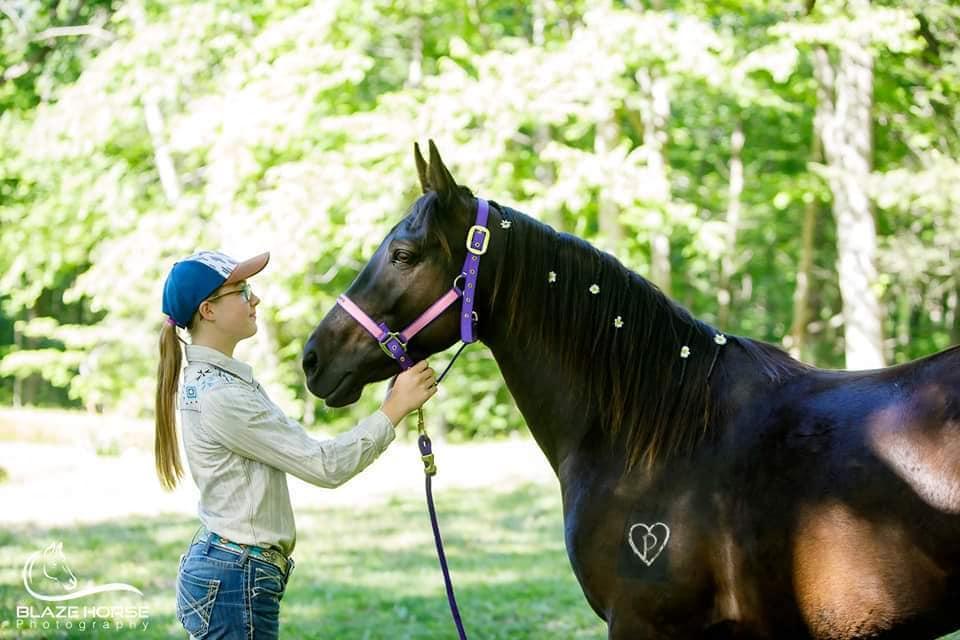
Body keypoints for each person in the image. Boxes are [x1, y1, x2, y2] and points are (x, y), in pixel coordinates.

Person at [155, 250, 436, 639]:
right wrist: (393, 410)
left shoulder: (221, 381)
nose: (255, 299)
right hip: (236, 578)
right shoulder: (221, 395)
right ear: (208, 310)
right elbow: (324, 465)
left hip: (232, 572)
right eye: (241, 291)